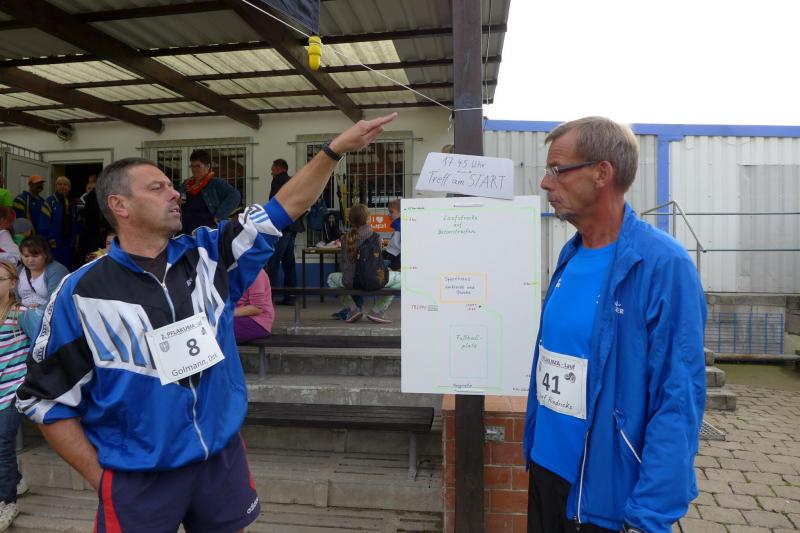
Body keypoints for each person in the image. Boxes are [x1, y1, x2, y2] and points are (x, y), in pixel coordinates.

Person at [16, 112, 397, 532]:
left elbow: (285, 207)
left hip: (220, 460)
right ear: (119, 205)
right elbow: (44, 400)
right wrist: (104, 480)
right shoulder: (79, 293)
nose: (176, 194)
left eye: (172, 185)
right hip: (138, 475)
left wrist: (334, 150)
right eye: (158, 187)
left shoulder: (209, 256)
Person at [522, 117, 707, 533]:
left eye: (557, 170)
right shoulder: (570, 255)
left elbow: (679, 397)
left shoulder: (664, 265)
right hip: (547, 474)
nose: (546, 183)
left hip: (606, 499)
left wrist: (649, 514)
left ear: (602, 173)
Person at [327, 203, 401, 324]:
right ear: (368, 219)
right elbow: (377, 262)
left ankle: (353, 309)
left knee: (331, 278)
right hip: (374, 280)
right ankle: (377, 311)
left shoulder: (345, 238)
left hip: (351, 282)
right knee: (402, 279)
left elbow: (343, 264)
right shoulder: (376, 237)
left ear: (350, 220)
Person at [0, 261, 30, 531]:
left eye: (0, 279)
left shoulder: (21, 314)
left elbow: (43, 345)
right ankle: (16, 480)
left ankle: (7, 501)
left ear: (12, 283)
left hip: (14, 390)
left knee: (1, 443)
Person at [266, 158, 305, 305]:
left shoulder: (278, 180)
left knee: (273, 262)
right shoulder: (292, 181)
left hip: (282, 227)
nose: (271, 172)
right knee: (289, 263)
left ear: (279, 168)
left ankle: (268, 298)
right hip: (293, 226)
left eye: (273, 168)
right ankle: (291, 296)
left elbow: (274, 202)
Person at [179, 149, 241, 235]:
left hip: (209, 234)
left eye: (198, 166)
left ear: (207, 166)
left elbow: (235, 195)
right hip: (187, 233)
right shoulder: (186, 184)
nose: (194, 169)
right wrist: (177, 201)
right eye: (192, 166)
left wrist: (220, 215)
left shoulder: (216, 183)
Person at [16, 236, 68, 313]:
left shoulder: (56, 271)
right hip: (21, 314)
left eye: (35, 256)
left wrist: (37, 310)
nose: (30, 260)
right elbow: (12, 296)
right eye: (26, 256)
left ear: (45, 255)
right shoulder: (19, 270)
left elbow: (55, 301)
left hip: (47, 315)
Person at [76, 175, 110, 266]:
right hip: (87, 235)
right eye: (89, 187)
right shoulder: (82, 200)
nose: (90, 189)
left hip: (95, 235)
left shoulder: (100, 199)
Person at [45, 176, 78, 269]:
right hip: (54, 241)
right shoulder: (50, 201)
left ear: (69, 188)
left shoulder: (72, 202)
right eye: (59, 184)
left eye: (65, 184)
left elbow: (75, 221)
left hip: (68, 241)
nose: (62, 186)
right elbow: (45, 221)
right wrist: (50, 237)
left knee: (68, 266)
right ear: (56, 186)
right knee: (55, 266)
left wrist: (75, 238)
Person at [234, 269, 274, 343]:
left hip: (258, 322)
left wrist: (227, 313)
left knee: (220, 328)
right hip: (237, 316)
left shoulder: (257, 273)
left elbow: (257, 308)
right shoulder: (230, 270)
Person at [383, 198, 401, 270]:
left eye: (391, 212)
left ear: (401, 212)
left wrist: (392, 268)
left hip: (395, 265)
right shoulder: (398, 227)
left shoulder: (400, 227)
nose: (389, 215)